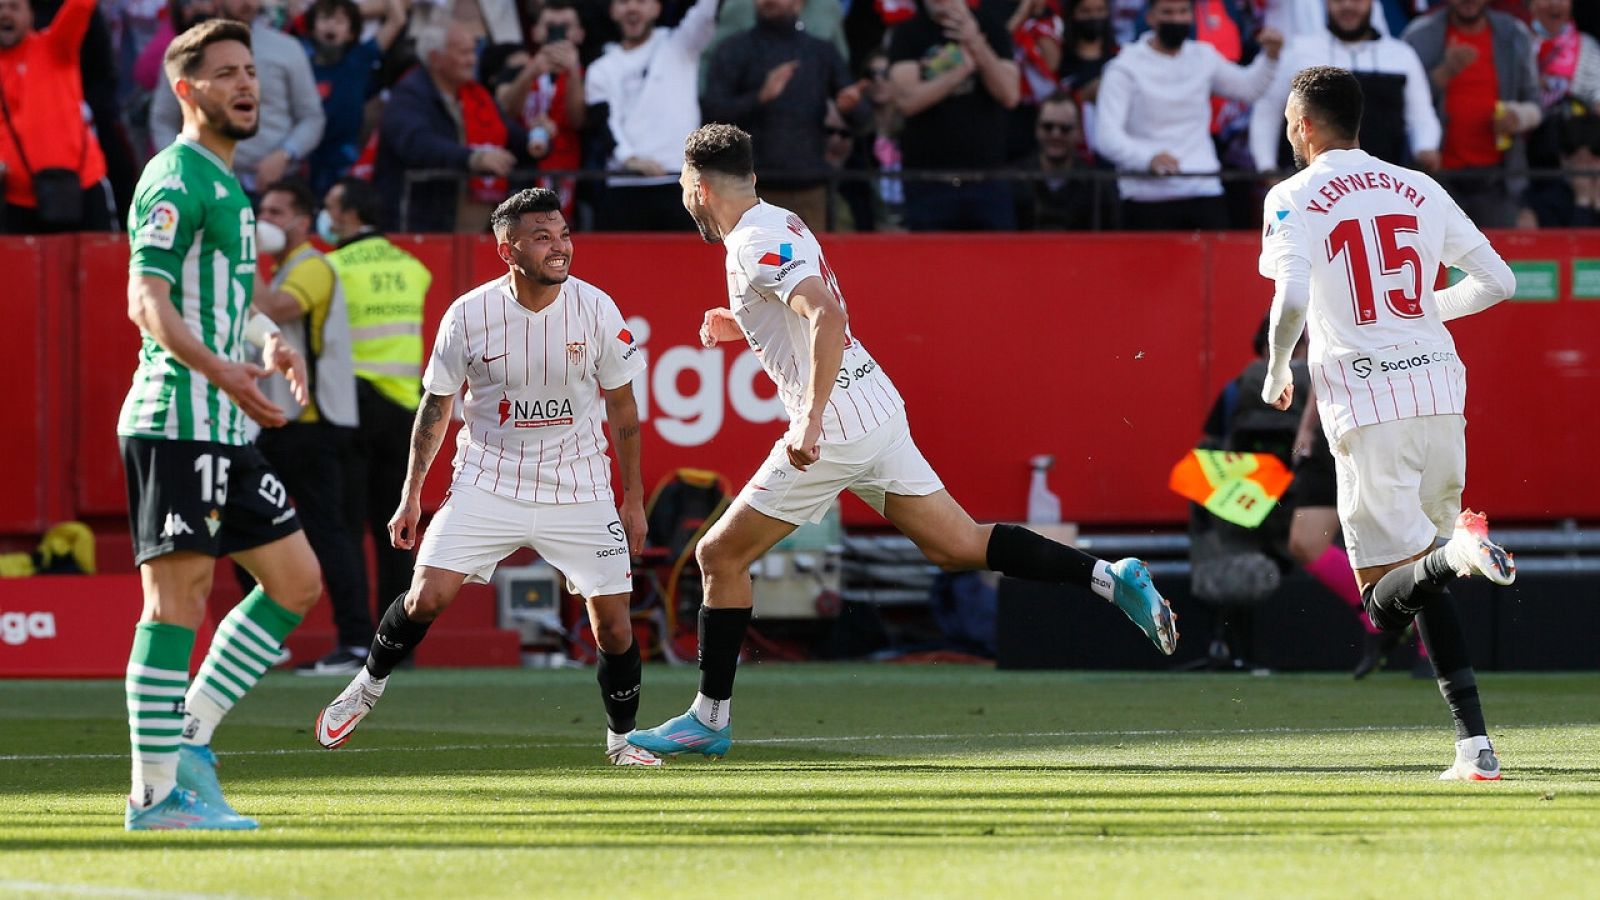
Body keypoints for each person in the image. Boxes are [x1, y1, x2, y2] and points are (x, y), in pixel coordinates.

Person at [627, 124, 1178, 760]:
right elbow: (807, 304)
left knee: (719, 558)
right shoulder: (778, 219)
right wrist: (743, 322)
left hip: (835, 426)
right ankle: (1112, 577)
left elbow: (825, 314)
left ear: (696, 188)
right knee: (959, 544)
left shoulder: (749, 243)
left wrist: (808, 421)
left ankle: (709, 719)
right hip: (875, 405)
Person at [314, 188, 662, 768]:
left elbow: (623, 409)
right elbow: (435, 407)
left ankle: (622, 742)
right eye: (543, 238)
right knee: (427, 596)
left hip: (578, 483)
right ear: (508, 249)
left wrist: (633, 499)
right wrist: (411, 496)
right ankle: (367, 684)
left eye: (564, 235)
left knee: (616, 629)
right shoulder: (468, 315)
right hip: (489, 478)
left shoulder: (597, 307)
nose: (560, 249)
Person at [1260, 65, 1518, 781]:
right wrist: (1420, 315)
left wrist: (1281, 369)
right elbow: (1500, 282)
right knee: (1424, 571)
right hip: (1440, 389)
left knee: (1382, 600)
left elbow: (1289, 299)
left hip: (1369, 402)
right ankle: (1476, 748)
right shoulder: (1419, 186)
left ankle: (1456, 555)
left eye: (1288, 116)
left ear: (1304, 123)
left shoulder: (1294, 194)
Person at [120, 19, 322, 830]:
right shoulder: (173, 178)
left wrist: (265, 339)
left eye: (250, 70)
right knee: (177, 602)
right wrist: (224, 374)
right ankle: (154, 795)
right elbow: (148, 302)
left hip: (225, 426)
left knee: (297, 582)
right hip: (176, 418)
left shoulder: (229, 186)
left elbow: (223, 305)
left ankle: (191, 736)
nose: (247, 84)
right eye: (226, 73)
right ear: (186, 90)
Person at [249, 178, 372, 674]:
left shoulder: (313, 266)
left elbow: (280, 311)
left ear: (303, 220)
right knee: (250, 522)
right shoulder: (282, 268)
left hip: (315, 423)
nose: (266, 222)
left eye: (276, 212)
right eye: (264, 211)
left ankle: (358, 643)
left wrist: (243, 258)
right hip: (286, 422)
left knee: (329, 534)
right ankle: (264, 636)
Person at [321, 175, 432, 673]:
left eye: (330, 206)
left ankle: (352, 638)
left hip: (352, 405)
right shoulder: (413, 268)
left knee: (344, 528)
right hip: (405, 410)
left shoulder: (331, 268)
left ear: (346, 214)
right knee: (398, 534)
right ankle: (396, 645)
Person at [1092, 0, 1283, 230]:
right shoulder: (1124, 67)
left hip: (1203, 188)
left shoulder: (1204, 57)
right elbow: (1106, 136)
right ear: (1150, 17)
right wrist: (1147, 158)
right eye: (1168, 12)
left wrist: (1270, 57)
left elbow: (1248, 88)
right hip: (1146, 196)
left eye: (1183, 12)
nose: (1176, 19)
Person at [701, 0, 865, 232]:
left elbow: (863, 119)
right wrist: (760, 97)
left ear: (800, 4)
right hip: (749, 192)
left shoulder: (821, 52)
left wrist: (851, 108)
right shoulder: (733, 49)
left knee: (809, 265)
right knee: (752, 266)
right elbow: (712, 113)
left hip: (811, 189)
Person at [150, 0, 326, 196]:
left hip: (276, 188)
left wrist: (285, 154)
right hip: (204, 187)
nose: (248, 3)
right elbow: (163, 119)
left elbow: (312, 117)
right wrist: (185, 165)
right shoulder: (187, 50)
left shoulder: (287, 49)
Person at [374, 21, 533, 232]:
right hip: (423, 230)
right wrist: (472, 158)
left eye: (473, 52)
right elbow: (418, 144)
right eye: (464, 53)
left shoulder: (477, 95)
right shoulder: (408, 96)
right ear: (435, 59)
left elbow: (513, 139)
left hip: (479, 234)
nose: (472, 60)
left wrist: (539, 138)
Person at [1250, 0, 1441, 173]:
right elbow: (1268, 111)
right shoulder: (1299, 52)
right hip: (1312, 188)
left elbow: (1421, 116)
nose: (1348, 6)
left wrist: (1425, 148)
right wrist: (1267, 167)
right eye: (1338, 0)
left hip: (1383, 184)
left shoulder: (1401, 56)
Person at [1402, 0, 1541, 227]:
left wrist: (1518, 117)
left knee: (1499, 259)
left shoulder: (1514, 33)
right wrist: (1443, 74)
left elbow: (1535, 103)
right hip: (1436, 182)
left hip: (1499, 182)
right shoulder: (1418, 36)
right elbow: (1400, 104)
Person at [887, 0, 1021, 230]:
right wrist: (961, 71)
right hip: (928, 184)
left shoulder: (991, 28)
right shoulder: (907, 33)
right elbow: (906, 102)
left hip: (987, 182)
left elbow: (1010, 94)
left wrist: (975, 43)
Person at [584, 0, 717, 231]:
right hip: (622, 187)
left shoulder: (681, 44)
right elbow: (603, 123)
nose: (632, 8)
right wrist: (629, 159)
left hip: (680, 184)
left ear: (657, 8)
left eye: (642, 1)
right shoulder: (600, 69)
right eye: (624, 2)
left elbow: (706, 10)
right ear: (613, 11)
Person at [0, 0, 114, 233]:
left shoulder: (56, 47)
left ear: (31, 15)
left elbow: (80, 7)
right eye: (0, 7)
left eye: (13, 6)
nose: (4, 14)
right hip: (17, 200)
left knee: (99, 266)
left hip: (83, 187)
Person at [301, 0, 407, 195]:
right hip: (304, 155)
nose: (331, 25)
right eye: (325, 18)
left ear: (351, 33)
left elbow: (397, 21)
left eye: (340, 21)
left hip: (343, 155)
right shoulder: (298, 59)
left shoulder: (360, 58)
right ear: (312, 27)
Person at [1012, 89, 1117, 229]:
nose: (1056, 134)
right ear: (1036, 129)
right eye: (1048, 127)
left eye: (1065, 128)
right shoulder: (1014, 180)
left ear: (1079, 132)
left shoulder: (1097, 187)